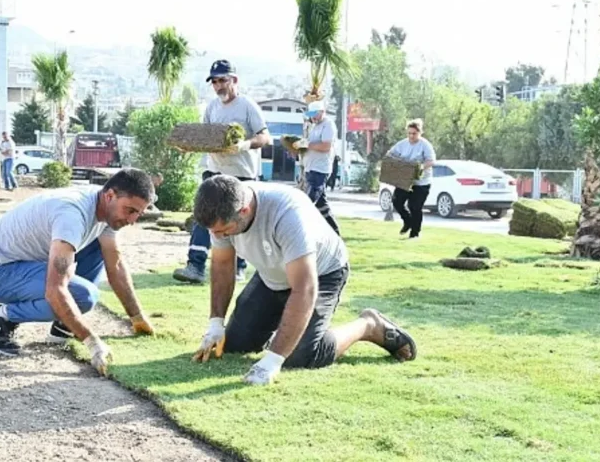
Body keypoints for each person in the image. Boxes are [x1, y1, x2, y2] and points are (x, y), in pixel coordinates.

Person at [190, 175, 417, 385]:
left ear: (244, 210)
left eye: (225, 232)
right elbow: (221, 264)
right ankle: (282, 329)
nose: (219, 237)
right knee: (232, 345)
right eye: (215, 232)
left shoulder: (288, 215)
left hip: (321, 273)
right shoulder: (222, 210)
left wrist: (273, 360)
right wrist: (215, 323)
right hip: (273, 274)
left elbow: (304, 289)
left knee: (299, 355)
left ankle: (368, 325)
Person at [0, 168, 157, 376]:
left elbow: (114, 264)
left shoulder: (107, 209)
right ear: (109, 195)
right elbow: (55, 290)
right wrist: (93, 342)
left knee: (101, 248)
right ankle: (1, 317)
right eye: (130, 210)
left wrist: (137, 317)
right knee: (84, 296)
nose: (132, 220)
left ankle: (64, 322)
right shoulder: (72, 215)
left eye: (139, 214)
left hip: (31, 264)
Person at [172, 59, 272, 285]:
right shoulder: (212, 107)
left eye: (223, 80)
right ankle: (195, 266)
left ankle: (238, 267)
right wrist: (188, 146)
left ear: (234, 80)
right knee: (202, 216)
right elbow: (205, 137)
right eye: (215, 82)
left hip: (242, 174)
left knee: (238, 220)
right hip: (214, 171)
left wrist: (244, 145)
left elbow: (265, 137)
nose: (219, 86)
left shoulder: (247, 106)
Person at [386, 119, 436, 239]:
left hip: (421, 182)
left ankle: (415, 233)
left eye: (414, 133)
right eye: (409, 133)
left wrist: (420, 168)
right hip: (405, 178)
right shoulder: (402, 144)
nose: (411, 136)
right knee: (397, 201)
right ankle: (407, 221)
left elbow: (431, 161)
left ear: (420, 133)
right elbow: (390, 154)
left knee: (415, 206)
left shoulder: (425, 145)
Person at [296, 101, 340, 235]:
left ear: (322, 111)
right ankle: (335, 233)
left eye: (315, 114)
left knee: (308, 203)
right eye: (311, 115)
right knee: (322, 205)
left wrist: (307, 145)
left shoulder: (328, 125)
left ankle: (302, 232)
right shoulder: (315, 126)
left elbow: (326, 146)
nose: (313, 118)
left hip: (320, 169)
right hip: (311, 168)